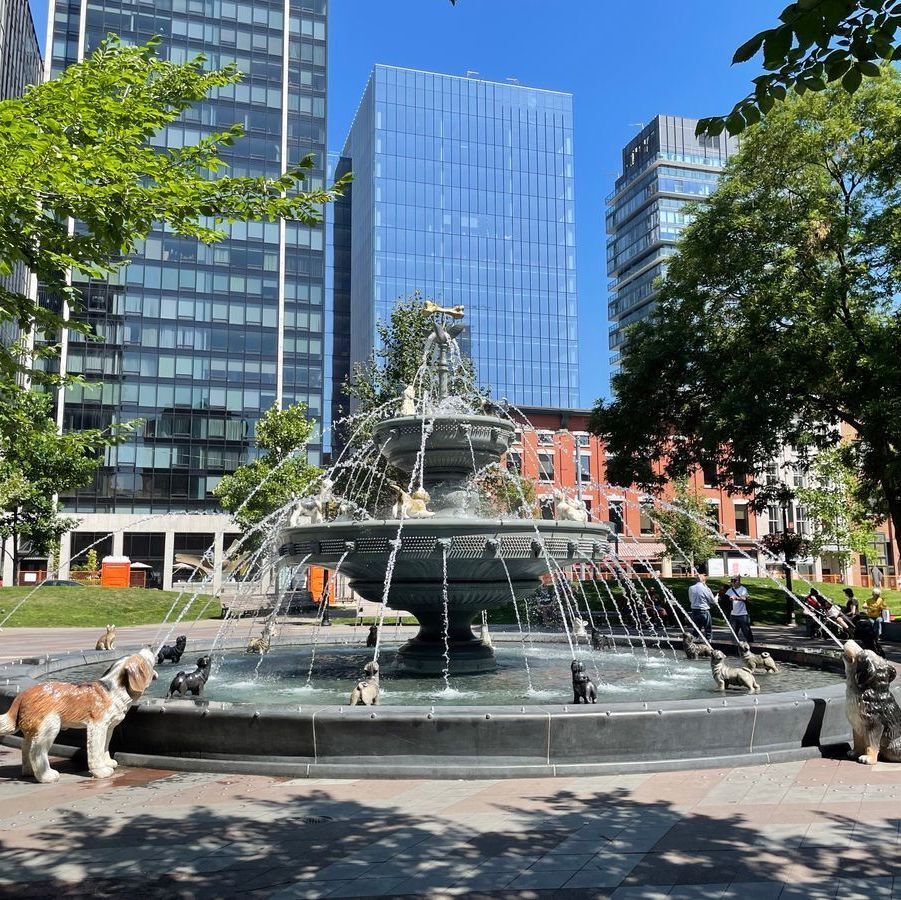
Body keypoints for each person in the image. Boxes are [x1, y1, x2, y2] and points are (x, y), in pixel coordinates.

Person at [724, 575, 754, 643]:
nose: (733, 582)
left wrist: (736, 598)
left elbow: (745, 598)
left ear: (739, 581)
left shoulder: (743, 589)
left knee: (747, 632)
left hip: (742, 614)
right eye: (732, 581)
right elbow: (725, 598)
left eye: (734, 581)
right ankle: (734, 648)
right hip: (733, 615)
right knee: (733, 634)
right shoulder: (730, 590)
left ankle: (751, 646)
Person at [688, 571, 715, 640]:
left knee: (696, 629)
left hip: (694, 610)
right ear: (704, 581)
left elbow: (691, 599)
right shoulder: (706, 589)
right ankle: (709, 641)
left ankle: (693, 642)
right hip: (704, 610)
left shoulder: (691, 588)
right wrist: (716, 598)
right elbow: (712, 601)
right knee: (708, 629)